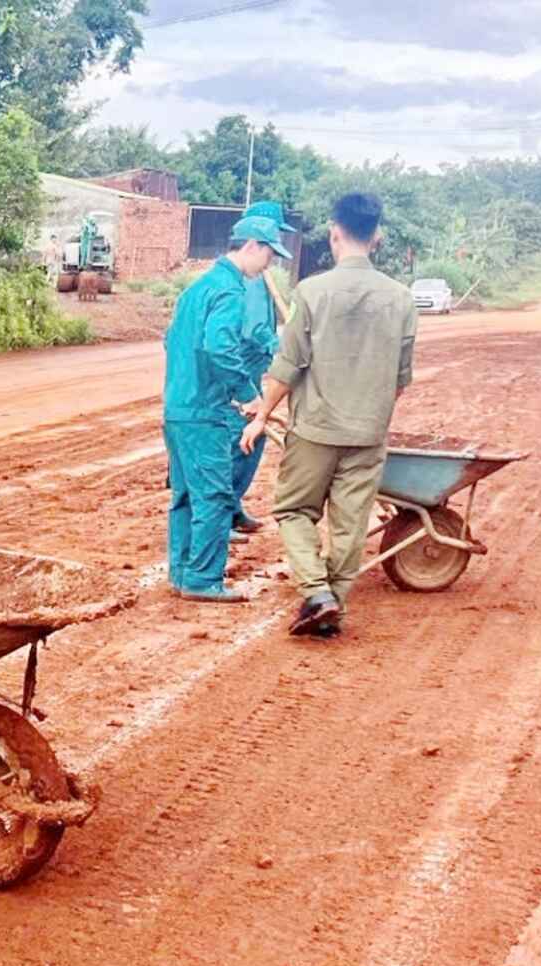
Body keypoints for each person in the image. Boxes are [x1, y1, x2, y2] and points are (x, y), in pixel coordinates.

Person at [240, 192, 416, 638]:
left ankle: (317, 594)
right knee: (351, 522)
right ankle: (331, 605)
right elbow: (400, 378)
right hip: (368, 431)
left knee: (294, 509)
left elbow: (288, 363)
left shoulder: (312, 291)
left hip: (315, 429)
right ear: (377, 237)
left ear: (334, 233)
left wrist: (263, 414)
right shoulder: (401, 299)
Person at [161, 210, 293, 602]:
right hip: (205, 412)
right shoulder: (229, 291)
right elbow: (219, 346)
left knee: (185, 495)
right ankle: (203, 580)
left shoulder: (197, 289)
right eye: (270, 254)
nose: (271, 263)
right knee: (216, 496)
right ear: (252, 246)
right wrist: (248, 395)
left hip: (178, 409)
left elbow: (173, 342)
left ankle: (182, 574)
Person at [227, 200, 293, 543]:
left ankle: (231, 508)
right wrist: (285, 350)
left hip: (248, 369)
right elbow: (254, 329)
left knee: (244, 437)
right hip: (241, 372)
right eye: (276, 235)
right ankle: (224, 513)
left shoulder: (258, 275)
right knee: (246, 437)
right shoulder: (252, 280)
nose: (279, 243)